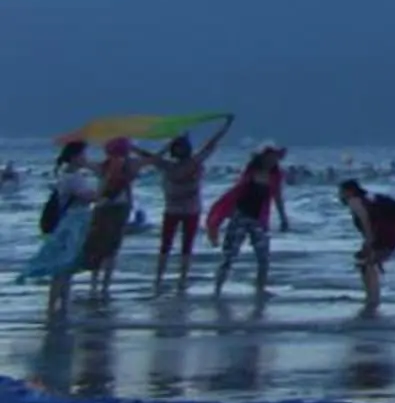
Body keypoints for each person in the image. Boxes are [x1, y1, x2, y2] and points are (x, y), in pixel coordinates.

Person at [139, 115, 233, 292]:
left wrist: (225, 126)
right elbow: (147, 156)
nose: (179, 150)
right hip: (174, 210)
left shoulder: (190, 163)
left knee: (185, 246)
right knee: (167, 245)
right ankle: (160, 278)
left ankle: (180, 278)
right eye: (177, 147)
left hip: (189, 210)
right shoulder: (171, 165)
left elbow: (211, 144)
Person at [18, 143, 99, 315]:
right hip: (72, 224)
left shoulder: (69, 175)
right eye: (83, 155)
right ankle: (55, 305)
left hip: (73, 223)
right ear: (75, 157)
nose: (86, 158)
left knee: (66, 265)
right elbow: (87, 196)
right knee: (63, 265)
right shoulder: (71, 177)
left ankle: (61, 304)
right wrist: (105, 187)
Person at [210, 144, 292, 294]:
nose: (273, 161)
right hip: (240, 217)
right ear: (263, 158)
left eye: (275, 158)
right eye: (270, 157)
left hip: (259, 220)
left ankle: (260, 289)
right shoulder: (250, 172)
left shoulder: (275, 176)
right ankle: (217, 289)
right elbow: (236, 192)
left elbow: (277, 197)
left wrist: (283, 218)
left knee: (263, 257)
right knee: (229, 256)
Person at [338, 178, 395, 309]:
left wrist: (369, 240)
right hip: (392, 232)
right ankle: (372, 296)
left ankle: (373, 298)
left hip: (382, 234)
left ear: (349, 191)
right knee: (366, 263)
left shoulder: (354, 201)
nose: (340, 195)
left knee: (367, 264)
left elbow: (365, 219)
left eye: (341, 192)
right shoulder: (369, 197)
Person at [79, 138, 139, 300]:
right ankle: (103, 285)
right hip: (116, 210)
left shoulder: (106, 167)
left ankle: (96, 284)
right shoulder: (128, 168)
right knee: (109, 249)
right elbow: (154, 160)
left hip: (105, 209)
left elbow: (85, 163)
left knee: (99, 247)